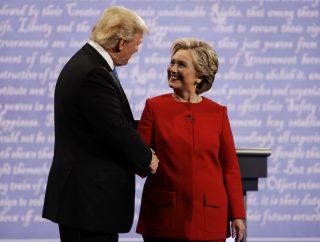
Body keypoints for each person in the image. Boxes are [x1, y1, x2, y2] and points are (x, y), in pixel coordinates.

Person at [42, 6, 159, 242]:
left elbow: (108, 122)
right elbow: (115, 129)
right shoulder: (93, 72)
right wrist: (147, 158)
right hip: (88, 202)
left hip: (85, 202)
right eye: (136, 46)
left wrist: (156, 129)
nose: (135, 51)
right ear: (120, 43)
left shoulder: (88, 63)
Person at [136, 38, 245, 242]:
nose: (173, 69)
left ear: (199, 76)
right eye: (172, 62)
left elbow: (230, 167)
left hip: (208, 217)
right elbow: (139, 159)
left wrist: (238, 214)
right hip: (163, 216)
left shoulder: (217, 112)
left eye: (181, 64)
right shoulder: (154, 107)